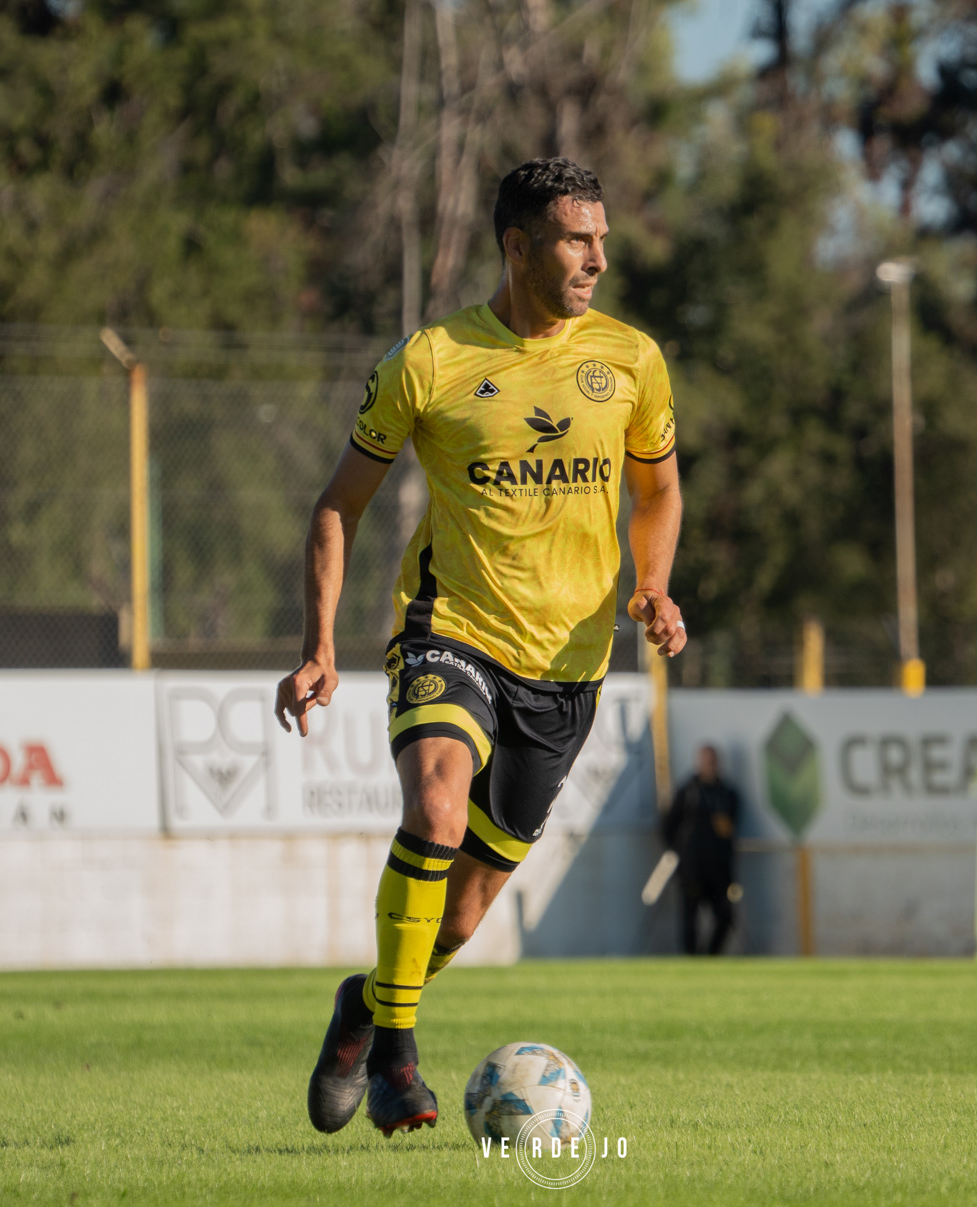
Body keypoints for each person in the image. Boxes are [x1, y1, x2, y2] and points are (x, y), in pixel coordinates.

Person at [277, 158, 686, 1139]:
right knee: (435, 802)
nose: (597, 256)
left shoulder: (630, 359)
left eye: (600, 237)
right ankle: (397, 1056)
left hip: (570, 669)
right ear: (518, 246)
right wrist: (319, 643)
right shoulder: (431, 360)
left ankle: (363, 1008)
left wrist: (655, 582)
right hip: (450, 629)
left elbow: (658, 489)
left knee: (459, 919)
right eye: (575, 239)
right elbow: (339, 503)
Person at [663, 744, 741, 955]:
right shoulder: (689, 792)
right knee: (689, 920)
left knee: (725, 915)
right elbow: (669, 827)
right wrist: (680, 854)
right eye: (706, 761)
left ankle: (710, 957)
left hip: (719, 870)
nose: (710, 766)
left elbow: (731, 828)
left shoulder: (727, 793)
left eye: (713, 761)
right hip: (692, 868)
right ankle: (691, 963)